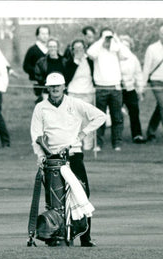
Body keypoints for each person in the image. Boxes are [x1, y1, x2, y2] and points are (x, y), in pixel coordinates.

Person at [30, 73, 106, 247]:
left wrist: (82, 134)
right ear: (47, 88)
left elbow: (100, 116)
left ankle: (85, 238)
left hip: (73, 155)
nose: (55, 89)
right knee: (55, 199)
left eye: (58, 86)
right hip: (52, 158)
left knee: (82, 195)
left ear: (64, 86)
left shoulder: (74, 103)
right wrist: (40, 157)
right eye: (52, 86)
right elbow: (36, 135)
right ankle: (56, 235)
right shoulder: (40, 108)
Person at [87, 27, 133, 151]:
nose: (108, 40)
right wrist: (102, 39)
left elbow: (127, 55)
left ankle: (117, 143)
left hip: (115, 87)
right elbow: (90, 53)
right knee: (99, 117)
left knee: (117, 117)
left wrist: (116, 39)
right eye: (105, 38)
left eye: (109, 38)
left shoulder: (116, 49)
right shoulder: (97, 49)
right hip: (101, 87)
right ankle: (98, 144)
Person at [64, 39, 96, 150]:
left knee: (87, 121)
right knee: (73, 120)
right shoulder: (69, 62)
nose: (79, 50)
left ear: (84, 48)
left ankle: (88, 144)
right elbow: (67, 78)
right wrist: (76, 62)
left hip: (88, 93)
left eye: (81, 48)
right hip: (73, 93)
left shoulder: (90, 61)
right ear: (72, 50)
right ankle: (75, 144)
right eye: (76, 48)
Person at [118, 35, 145, 144]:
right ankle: (117, 137)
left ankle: (137, 135)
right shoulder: (114, 58)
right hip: (117, 88)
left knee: (134, 111)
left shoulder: (133, 59)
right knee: (117, 114)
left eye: (127, 45)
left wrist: (140, 90)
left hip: (130, 88)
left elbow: (138, 74)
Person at [23, 26, 50, 103]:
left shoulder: (51, 48)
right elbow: (26, 66)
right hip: (38, 82)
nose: (45, 36)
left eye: (47, 33)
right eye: (42, 34)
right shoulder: (32, 50)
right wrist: (37, 74)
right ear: (37, 35)